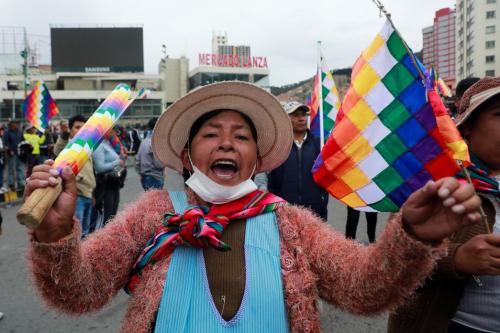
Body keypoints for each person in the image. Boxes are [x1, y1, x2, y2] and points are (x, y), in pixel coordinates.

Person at [25, 82, 482, 333]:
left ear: (257, 159)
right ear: (187, 156)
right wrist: (53, 234)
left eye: (241, 135)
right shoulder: (152, 214)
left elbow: (364, 288)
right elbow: (76, 292)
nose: (227, 142)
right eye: (211, 134)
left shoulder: (290, 221)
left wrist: (414, 237)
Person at [388, 76, 500, 333]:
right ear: (468, 127)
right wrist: (457, 258)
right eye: (499, 114)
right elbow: (395, 260)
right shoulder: (433, 179)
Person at [267, 101, 328, 220]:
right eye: (295, 115)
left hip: (315, 212)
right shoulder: (278, 146)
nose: (301, 119)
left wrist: (322, 200)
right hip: (285, 211)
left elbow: (326, 176)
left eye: (304, 114)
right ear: (286, 119)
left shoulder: (319, 144)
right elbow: (272, 181)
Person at [54, 115, 96, 239]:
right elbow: (58, 149)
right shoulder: (69, 146)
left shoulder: (87, 147)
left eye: (84, 128)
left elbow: (91, 172)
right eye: (77, 127)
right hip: (76, 196)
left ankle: (83, 257)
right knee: (75, 234)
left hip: (88, 194)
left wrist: (93, 194)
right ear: (70, 130)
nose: (81, 131)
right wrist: (64, 135)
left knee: (85, 232)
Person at [92, 128, 124, 228]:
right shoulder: (99, 146)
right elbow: (99, 167)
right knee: (106, 218)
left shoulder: (107, 144)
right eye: (110, 128)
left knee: (111, 217)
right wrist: (117, 162)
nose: (113, 131)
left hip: (114, 184)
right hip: (106, 185)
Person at [135, 117, 164, 190]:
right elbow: (159, 165)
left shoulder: (144, 142)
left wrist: (141, 173)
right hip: (155, 177)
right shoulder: (155, 143)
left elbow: (137, 160)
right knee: (155, 200)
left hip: (145, 177)